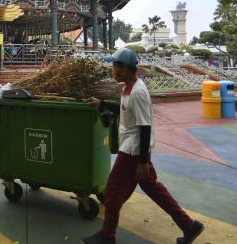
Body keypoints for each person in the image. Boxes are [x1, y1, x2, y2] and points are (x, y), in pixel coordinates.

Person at [81, 48, 205, 244]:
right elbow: (124, 110)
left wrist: (142, 162)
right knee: (153, 188)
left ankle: (107, 235)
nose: (114, 71)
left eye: (117, 66)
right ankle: (189, 226)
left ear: (128, 68)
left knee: (112, 192)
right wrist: (102, 103)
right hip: (136, 149)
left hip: (134, 150)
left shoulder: (138, 92)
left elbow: (145, 128)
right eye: (113, 66)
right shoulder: (127, 87)